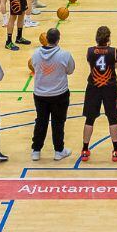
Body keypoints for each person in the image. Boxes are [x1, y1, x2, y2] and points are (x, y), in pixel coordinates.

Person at [30, 27, 75, 161]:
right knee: (58, 123)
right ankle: (59, 151)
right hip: (59, 94)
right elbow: (70, 70)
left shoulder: (36, 53)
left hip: (40, 94)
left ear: (46, 39)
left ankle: (36, 150)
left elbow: (34, 66)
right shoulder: (65, 54)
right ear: (58, 39)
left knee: (41, 122)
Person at [81, 26, 117, 162]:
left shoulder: (90, 51)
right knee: (112, 119)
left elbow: (90, 64)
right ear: (108, 38)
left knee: (89, 119)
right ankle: (116, 151)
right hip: (109, 87)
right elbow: (116, 66)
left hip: (93, 87)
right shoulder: (113, 51)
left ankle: (85, 150)